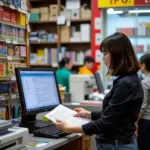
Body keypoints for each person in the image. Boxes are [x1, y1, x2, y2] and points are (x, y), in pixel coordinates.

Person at [55, 32, 143, 150]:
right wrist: (89, 114)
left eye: (105, 53)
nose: (103, 58)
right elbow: (115, 115)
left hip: (116, 145)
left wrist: (68, 128)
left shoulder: (125, 84)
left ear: (117, 54)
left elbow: (105, 123)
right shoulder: (128, 79)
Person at [137, 54, 150, 150]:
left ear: (144, 65)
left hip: (146, 122)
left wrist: (135, 121)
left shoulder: (145, 82)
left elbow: (143, 105)